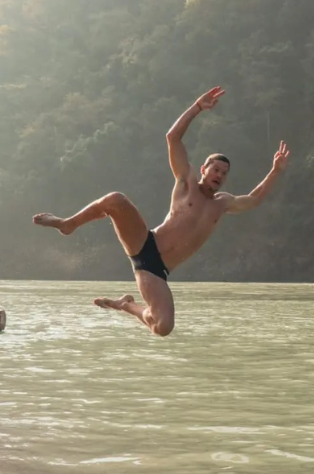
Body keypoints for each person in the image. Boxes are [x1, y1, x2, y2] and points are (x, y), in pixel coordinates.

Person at [33, 87, 290, 336]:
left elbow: (254, 199)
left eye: (224, 173)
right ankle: (69, 224)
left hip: (157, 271)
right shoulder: (186, 181)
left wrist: (275, 171)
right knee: (116, 200)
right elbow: (172, 138)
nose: (219, 175)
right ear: (203, 169)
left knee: (163, 327)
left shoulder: (223, 203)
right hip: (146, 244)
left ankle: (126, 305)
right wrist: (197, 108)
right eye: (215, 169)